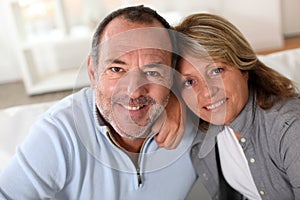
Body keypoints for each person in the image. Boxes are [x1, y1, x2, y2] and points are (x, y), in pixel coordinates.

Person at [0, 6, 197, 199]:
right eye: (116, 69)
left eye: (152, 72)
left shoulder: (199, 115)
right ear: (93, 72)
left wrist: (179, 99)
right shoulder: (59, 133)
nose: (134, 91)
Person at [174, 13, 300, 199]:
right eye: (190, 82)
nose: (207, 92)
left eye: (216, 70)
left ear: (244, 69)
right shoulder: (205, 131)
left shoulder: (290, 128)